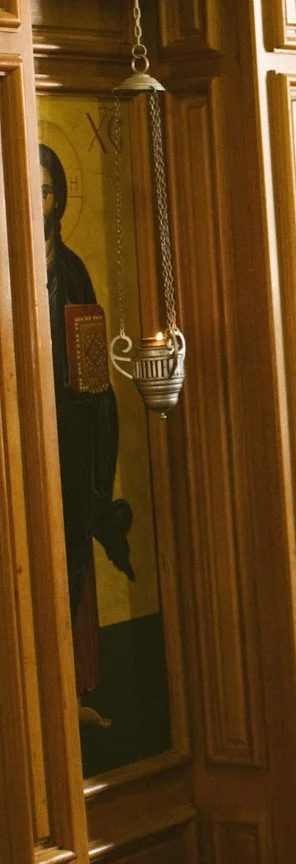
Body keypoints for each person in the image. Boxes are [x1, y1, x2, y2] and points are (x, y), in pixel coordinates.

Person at [41, 143, 134, 697]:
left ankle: (71, 690)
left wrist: (101, 465)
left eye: (47, 190)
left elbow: (96, 376)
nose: (38, 201)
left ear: (59, 198)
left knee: (72, 556)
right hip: (21, 441)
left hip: (72, 441)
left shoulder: (72, 272)